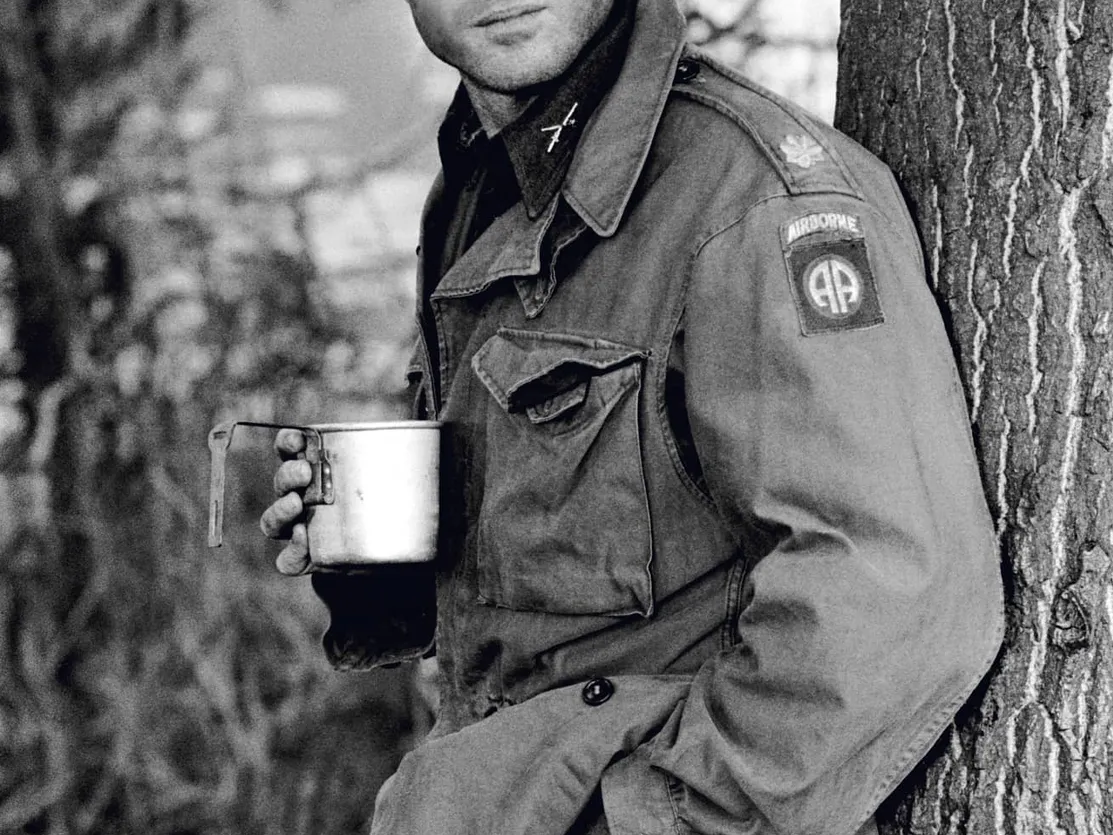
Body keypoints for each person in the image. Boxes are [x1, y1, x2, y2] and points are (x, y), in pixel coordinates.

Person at [260, 0, 1005, 833]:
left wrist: (651, 815)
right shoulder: (478, 183)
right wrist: (391, 569)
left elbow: (893, 597)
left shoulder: (755, 201)